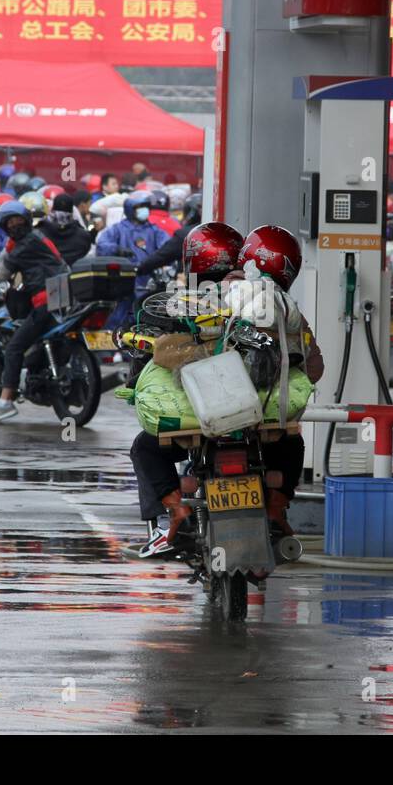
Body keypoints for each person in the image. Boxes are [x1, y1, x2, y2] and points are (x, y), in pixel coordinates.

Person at [132, 224, 321, 558]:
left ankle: (176, 512)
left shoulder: (194, 297)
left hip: (204, 416)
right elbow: (315, 368)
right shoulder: (287, 310)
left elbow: (160, 350)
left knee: (145, 448)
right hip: (259, 421)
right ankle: (277, 511)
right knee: (293, 441)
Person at [0, 200, 71, 423]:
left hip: (45, 301)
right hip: (62, 297)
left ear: (27, 220)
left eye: (18, 220)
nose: (14, 225)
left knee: (13, 348)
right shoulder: (39, 238)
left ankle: (5, 402)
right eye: (10, 222)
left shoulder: (23, 246)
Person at [95, 189, 171, 327]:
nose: (144, 210)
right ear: (130, 210)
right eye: (140, 208)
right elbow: (102, 245)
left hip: (150, 283)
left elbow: (168, 247)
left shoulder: (154, 230)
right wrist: (117, 250)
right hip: (124, 283)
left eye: (146, 207)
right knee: (119, 320)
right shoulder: (118, 229)